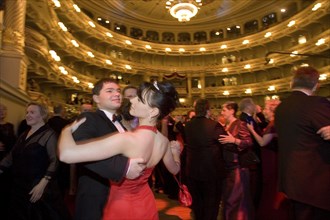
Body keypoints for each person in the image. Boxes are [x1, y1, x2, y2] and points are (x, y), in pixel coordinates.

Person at [58, 81, 181, 220]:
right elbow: (175, 169)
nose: (132, 99)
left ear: (153, 111)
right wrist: (176, 152)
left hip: (122, 206)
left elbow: (66, 155)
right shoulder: (163, 141)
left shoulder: (127, 139)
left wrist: (66, 131)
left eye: (139, 98)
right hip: (146, 203)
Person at [70, 78, 145, 220]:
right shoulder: (89, 117)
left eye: (118, 91)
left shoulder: (121, 124)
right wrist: (124, 168)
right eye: (109, 91)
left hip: (117, 195)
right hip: (95, 192)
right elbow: (80, 149)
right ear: (96, 98)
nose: (117, 94)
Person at [275, 66, 330, 220]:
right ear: (316, 85)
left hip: (292, 182)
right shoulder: (316, 104)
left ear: (292, 83)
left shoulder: (281, 107)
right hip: (315, 185)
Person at [0, 102, 71, 220]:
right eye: (27, 112)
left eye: (32, 112)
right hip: (19, 187)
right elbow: (11, 156)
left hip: (38, 188)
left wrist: (43, 184)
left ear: (42, 115)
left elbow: (55, 161)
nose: (28, 115)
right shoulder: (24, 134)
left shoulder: (49, 135)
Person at [184, 99, 228, 220]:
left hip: (192, 170)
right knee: (211, 205)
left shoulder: (188, 125)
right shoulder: (214, 125)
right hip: (211, 171)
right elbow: (227, 143)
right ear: (208, 110)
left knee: (198, 205)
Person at [247, 99, 290, 220]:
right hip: (273, 158)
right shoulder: (276, 122)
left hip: (271, 160)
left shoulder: (273, 124)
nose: (264, 110)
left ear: (271, 111)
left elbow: (262, 142)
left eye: (265, 108)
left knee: (271, 187)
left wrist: (251, 130)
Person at [218, 101, 254, 220]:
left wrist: (234, 140)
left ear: (232, 111)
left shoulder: (240, 124)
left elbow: (248, 142)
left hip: (237, 167)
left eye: (224, 110)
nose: (221, 112)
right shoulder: (225, 125)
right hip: (227, 166)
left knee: (236, 200)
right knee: (228, 199)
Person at [238, 98, 262, 212]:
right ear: (248, 106)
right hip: (250, 155)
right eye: (253, 104)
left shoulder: (248, 118)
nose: (255, 106)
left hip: (252, 154)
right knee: (252, 184)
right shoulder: (244, 119)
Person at [48, 104, 71, 196]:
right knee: (62, 174)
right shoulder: (66, 123)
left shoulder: (47, 122)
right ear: (62, 111)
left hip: (49, 151)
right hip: (63, 151)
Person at [0, 103, 16, 220]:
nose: (2, 111)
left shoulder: (10, 126)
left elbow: (14, 144)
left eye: (4, 109)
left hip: (8, 161)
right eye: (0, 109)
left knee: (6, 188)